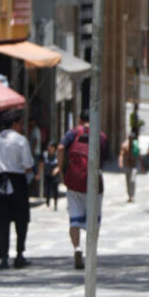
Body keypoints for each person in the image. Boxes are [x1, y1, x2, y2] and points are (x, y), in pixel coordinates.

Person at [57, 110, 108, 270]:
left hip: (74, 181)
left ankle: (77, 248)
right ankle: (91, 251)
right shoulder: (101, 136)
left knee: (74, 219)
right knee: (94, 219)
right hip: (94, 181)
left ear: (79, 119)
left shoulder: (73, 133)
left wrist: (61, 169)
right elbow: (104, 157)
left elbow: (60, 148)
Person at [0, 109, 35, 270]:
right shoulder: (21, 141)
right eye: (20, 124)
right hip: (18, 181)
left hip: (0, 180)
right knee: (21, 220)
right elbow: (28, 164)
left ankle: (4, 257)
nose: (21, 127)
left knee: (2, 221)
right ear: (14, 124)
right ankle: (19, 254)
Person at [119, 132, 139, 203]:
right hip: (127, 165)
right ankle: (130, 196)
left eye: (132, 138)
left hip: (134, 166)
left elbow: (138, 155)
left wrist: (142, 165)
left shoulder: (136, 145)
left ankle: (132, 195)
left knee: (132, 181)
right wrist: (120, 162)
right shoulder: (125, 145)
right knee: (128, 181)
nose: (131, 139)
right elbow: (121, 154)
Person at [40, 142, 60, 210]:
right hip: (47, 174)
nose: (50, 149)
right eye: (49, 147)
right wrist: (39, 173)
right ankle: (47, 204)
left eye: (51, 147)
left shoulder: (58, 155)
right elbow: (41, 163)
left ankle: (55, 204)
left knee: (55, 190)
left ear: (54, 148)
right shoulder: (45, 154)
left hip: (55, 175)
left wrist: (57, 169)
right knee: (47, 190)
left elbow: (61, 164)